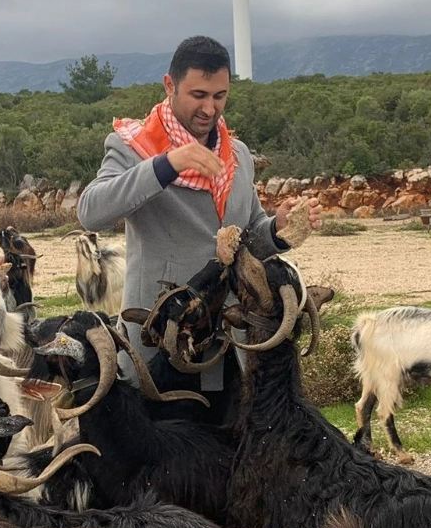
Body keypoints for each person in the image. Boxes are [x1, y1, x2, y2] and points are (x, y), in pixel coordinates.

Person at [78, 35, 321, 422]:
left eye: (220, 96)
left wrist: (279, 228)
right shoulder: (132, 147)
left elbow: (246, 235)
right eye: (198, 95)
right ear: (169, 86)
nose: (210, 108)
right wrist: (166, 164)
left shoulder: (236, 153)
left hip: (231, 339)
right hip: (160, 342)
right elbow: (91, 212)